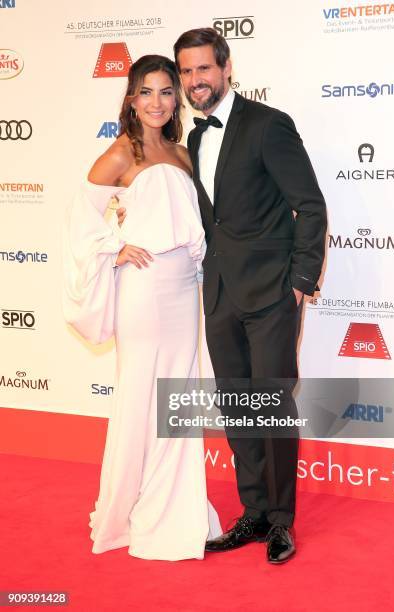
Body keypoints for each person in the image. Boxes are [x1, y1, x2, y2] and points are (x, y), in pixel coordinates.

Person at [173, 28, 328, 564]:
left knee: (273, 407)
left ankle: (282, 521)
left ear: (225, 67)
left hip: (270, 296)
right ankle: (254, 512)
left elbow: (309, 204)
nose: (195, 81)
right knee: (238, 410)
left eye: (203, 69)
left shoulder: (268, 125)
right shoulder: (193, 139)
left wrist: (300, 283)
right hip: (218, 295)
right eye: (186, 72)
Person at [63, 54, 221, 560]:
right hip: (142, 287)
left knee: (178, 399)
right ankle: (125, 512)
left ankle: (175, 508)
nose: (157, 102)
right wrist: (114, 246)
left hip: (181, 287)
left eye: (166, 92)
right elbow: (79, 217)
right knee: (139, 397)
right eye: (146, 92)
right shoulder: (120, 153)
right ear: (131, 99)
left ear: (177, 98)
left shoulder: (181, 153)